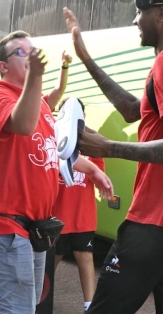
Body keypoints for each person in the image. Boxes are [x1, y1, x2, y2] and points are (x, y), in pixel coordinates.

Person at [64, 0, 163, 314]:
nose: (135, 20)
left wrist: (109, 148)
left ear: (160, 13)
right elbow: (136, 110)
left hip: (158, 218)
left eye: (140, 11)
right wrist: (86, 59)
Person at [0, 31, 113, 314]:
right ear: (2, 66)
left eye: (33, 50)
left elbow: (56, 153)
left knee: (23, 304)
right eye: (22, 52)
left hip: (32, 228)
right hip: (7, 226)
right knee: (19, 308)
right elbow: (22, 125)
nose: (31, 55)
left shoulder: (44, 107)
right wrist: (36, 77)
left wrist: (93, 170)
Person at [53, 99, 104, 312]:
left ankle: (89, 305)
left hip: (83, 215)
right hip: (56, 215)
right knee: (50, 261)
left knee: (85, 256)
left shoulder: (90, 142)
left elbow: (99, 173)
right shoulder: (54, 138)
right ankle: (38, 297)